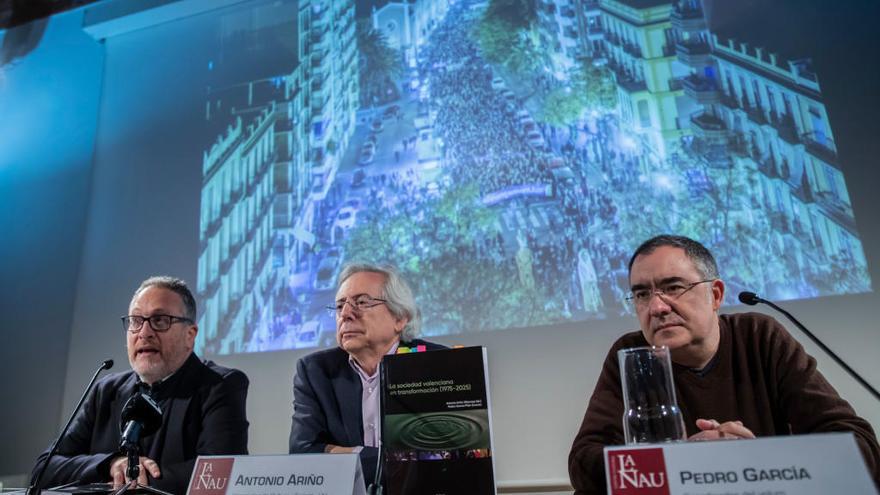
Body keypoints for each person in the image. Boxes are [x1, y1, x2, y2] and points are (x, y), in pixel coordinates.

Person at [568, 235, 880, 492]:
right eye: (641, 294)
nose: (657, 306)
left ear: (715, 295)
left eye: (674, 287)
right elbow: (584, 464)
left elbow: (857, 445)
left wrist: (750, 461)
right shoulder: (633, 355)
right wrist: (683, 463)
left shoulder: (759, 336)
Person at [31, 276, 249, 494]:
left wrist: (131, 478)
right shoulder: (105, 391)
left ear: (189, 335)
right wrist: (111, 464)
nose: (144, 333)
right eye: (135, 321)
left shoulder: (220, 385)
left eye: (160, 320)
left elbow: (220, 475)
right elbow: (44, 469)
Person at [289, 263, 444, 483]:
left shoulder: (436, 364)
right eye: (340, 305)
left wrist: (340, 454)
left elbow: (443, 455)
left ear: (400, 318)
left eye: (361, 302)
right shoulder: (315, 371)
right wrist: (391, 458)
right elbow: (302, 453)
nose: (346, 314)